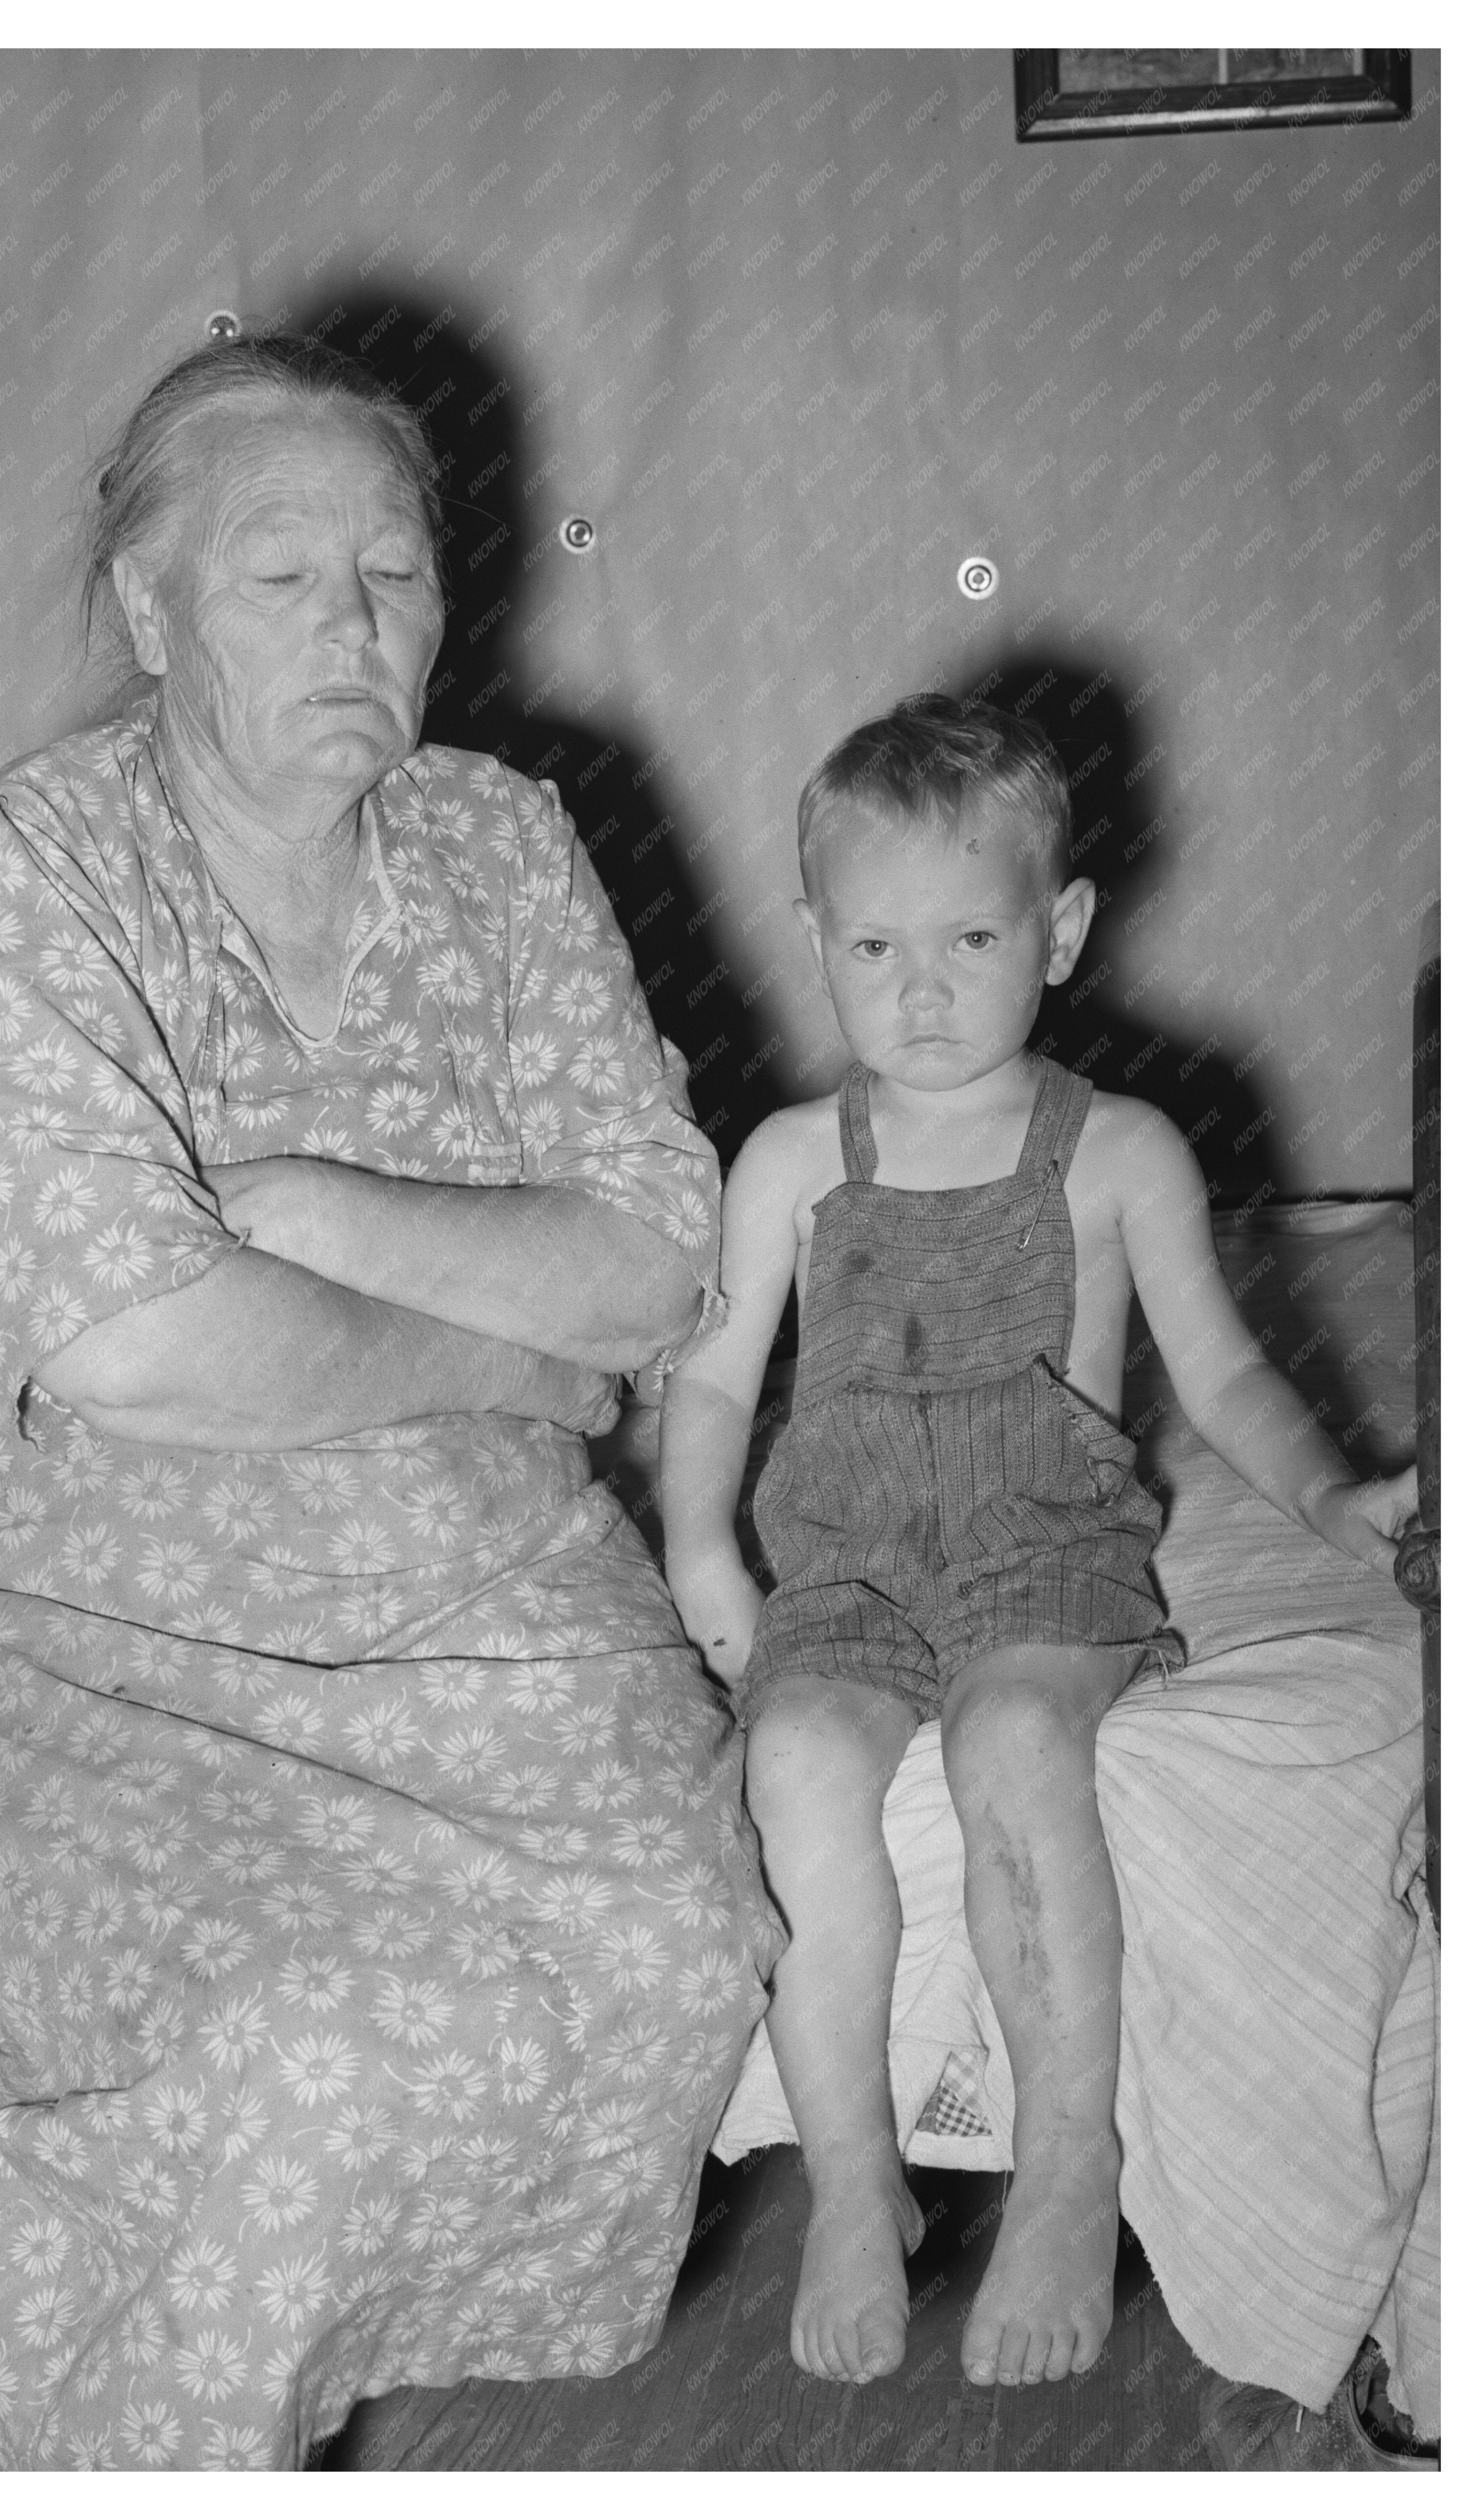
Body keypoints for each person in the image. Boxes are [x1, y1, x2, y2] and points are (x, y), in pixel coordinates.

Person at [0, 332, 780, 2471]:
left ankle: (338, 2335)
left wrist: (314, 1212)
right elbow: (135, 1342)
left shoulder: (505, 841)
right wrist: (510, 1346)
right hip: (74, 1603)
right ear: (154, 613)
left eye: (399, 572)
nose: (363, 625)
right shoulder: (32, 870)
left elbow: (660, 1246)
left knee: (674, 1942)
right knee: (297, 2047)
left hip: (479, 1580)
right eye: (286, 578)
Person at [657, 693, 1416, 2393]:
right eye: (873, 945)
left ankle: (1071, 2163)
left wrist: (1325, 1499)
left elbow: (1221, 1368)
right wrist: (705, 1537)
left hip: (1043, 1545)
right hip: (847, 1557)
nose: (918, 989)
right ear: (813, 940)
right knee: (790, 1763)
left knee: (1012, 1736)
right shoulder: (788, 1160)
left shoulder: (1117, 1150)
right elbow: (714, 1376)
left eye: (971, 937)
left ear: (1060, 931)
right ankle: (858, 2169)